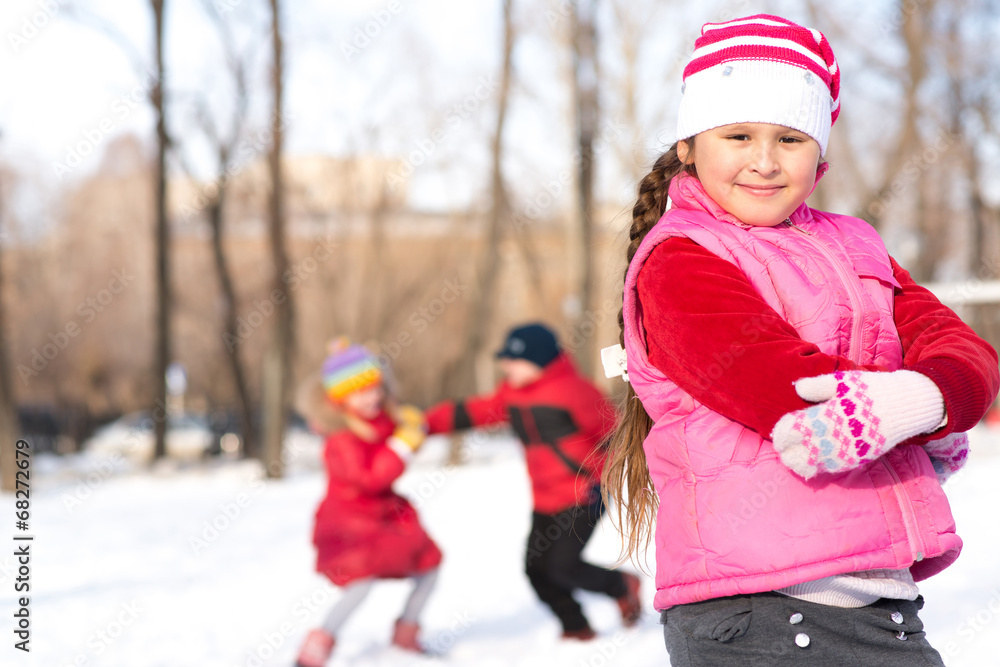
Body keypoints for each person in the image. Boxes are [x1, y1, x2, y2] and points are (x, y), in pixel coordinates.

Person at [600, 14, 1000, 666]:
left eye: (789, 137)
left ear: (821, 154)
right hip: (763, 610)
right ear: (689, 145)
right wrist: (918, 402)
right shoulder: (679, 259)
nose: (763, 160)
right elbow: (779, 385)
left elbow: (968, 354)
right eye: (738, 134)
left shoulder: (857, 243)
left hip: (875, 598)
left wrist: (923, 401)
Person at [425, 323, 642, 640]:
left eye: (514, 360)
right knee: (537, 570)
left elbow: (613, 435)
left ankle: (621, 586)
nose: (506, 366)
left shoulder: (575, 391)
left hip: (584, 494)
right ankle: (576, 629)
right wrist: (426, 423)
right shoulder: (512, 394)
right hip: (544, 498)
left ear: (539, 361)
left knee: (563, 567)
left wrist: (601, 477)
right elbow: (477, 411)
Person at [293, 339, 442, 667]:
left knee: (429, 566)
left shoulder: (381, 419)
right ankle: (318, 644)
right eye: (360, 392)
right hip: (350, 522)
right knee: (361, 582)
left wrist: (409, 424)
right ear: (339, 399)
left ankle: (407, 632)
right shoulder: (341, 438)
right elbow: (370, 479)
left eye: (375, 388)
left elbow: (400, 434)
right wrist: (402, 446)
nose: (372, 397)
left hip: (386, 516)